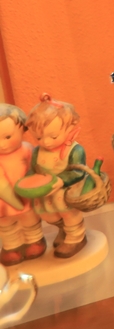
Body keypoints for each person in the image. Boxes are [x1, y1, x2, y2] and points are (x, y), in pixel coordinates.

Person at [26, 96, 87, 259]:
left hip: (66, 189)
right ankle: (64, 229)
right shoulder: (38, 151)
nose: (46, 142)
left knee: (68, 212)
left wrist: (61, 180)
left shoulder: (75, 150)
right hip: (46, 191)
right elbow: (34, 170)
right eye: (39, 138)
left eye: (53, 136)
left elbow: (78, 172)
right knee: (47, 214)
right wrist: (29, 181)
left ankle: (76, 237)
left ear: (71, 127)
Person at [0, 105, 45, 265]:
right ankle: (12, 247)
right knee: (6, 225)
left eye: (7, 137)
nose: (2, 144)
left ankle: (34, 240)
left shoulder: (27, 150)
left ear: (23, 130)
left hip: (26, 197)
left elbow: (36, 168)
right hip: (3, 203)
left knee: (30, 220)